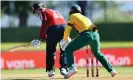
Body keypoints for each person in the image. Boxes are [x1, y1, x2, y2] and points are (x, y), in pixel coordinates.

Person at [60, 5, 118, 79]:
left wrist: (65, 39)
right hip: (96, 35)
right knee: (97, 53)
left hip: (86, 35)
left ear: (71, 11)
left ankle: (71, 69)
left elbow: (67, 30)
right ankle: (112, 70)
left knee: (68, 49)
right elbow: (93, 28)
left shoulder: (73, 16)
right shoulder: (85, 17)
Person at [31, 3, 68, 77]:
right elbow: (52, 23)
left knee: (50, 50)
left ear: (39, 8)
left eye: (36, 10)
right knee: (64, 49)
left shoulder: (43, 11)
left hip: (54, 27)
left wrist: (40, 38)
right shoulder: (52, 11)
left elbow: (44, 24)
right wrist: (45, 35)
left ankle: (51, 70)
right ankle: (64, 68)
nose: (37, 12)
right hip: (64, 27)